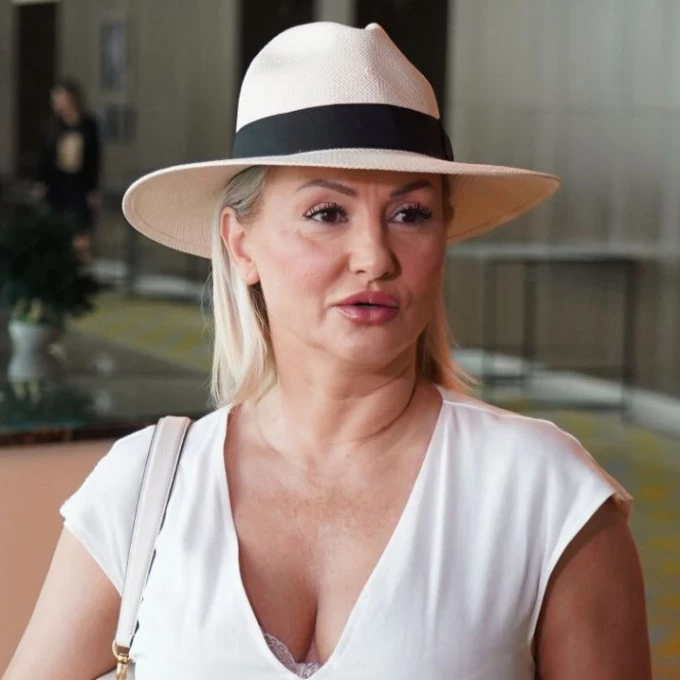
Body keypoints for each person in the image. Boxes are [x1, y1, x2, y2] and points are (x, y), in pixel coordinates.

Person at [4, 22, 651, 680]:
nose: (374, 258)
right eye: (327, 213)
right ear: (241, 244)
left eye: (410, 214)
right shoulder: (147, 486)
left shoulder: (546, 494)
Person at [35, 78, 101, 263]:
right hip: (57, 185)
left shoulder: (88, 125)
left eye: (60, 98)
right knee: (55, 231)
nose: (57, 104)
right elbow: (44, 157)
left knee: (81, 231)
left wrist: (93, 189)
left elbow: (94, 158)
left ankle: (81, 265)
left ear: (72, 99)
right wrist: (41, 182)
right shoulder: (52, 126)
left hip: (79, 185)